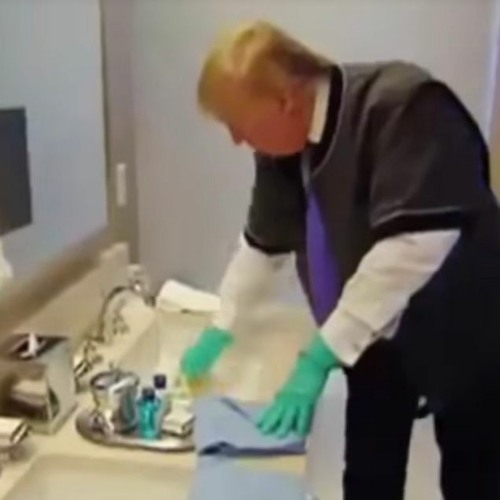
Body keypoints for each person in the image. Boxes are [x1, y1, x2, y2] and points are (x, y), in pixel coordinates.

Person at [180, 20, 500, 500]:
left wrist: (318, 357)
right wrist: (221, 328)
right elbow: (262, 245)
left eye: (238, 124)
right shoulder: (284, 150)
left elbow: (410, 249)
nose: (237, 140)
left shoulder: (404, 107)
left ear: (286, 101)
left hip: (467, 327)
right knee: (369, 475)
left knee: (472, 476)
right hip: (375, 336)